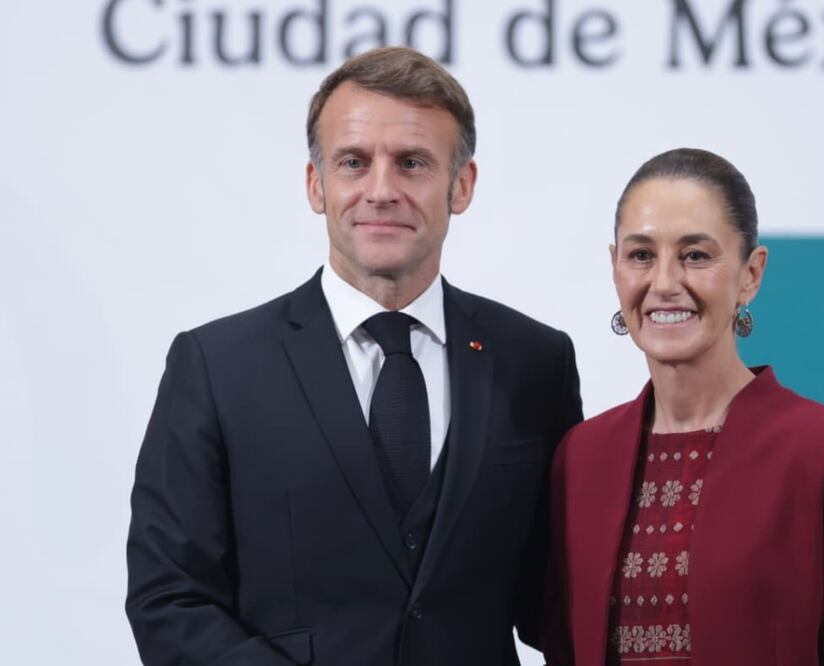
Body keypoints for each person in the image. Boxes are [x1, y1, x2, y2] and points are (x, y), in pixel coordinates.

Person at [126, 46, 582, 666]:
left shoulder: (535, 361)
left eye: (412, 163)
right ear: (316, 185)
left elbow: (558, 599)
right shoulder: (215, 366)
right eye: (353, 162)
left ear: (462, 185)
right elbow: (170, 599)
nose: (382, 190)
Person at [544, 148, 824, 665]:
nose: (665, 283)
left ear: (751, 274)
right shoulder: (580, 457)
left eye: (695, 255)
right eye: (641, 255)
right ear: (615, 267)